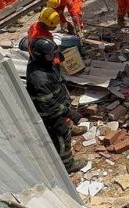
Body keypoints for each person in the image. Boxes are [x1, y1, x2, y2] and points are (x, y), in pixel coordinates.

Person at [26, 37, 85, 173]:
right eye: (51, 54)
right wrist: (69, 112)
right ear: (41, 56)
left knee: (65, 126)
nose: (54, 56)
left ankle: (69, 128)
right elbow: (49, 105)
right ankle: (68, 164)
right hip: (50, 114)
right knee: (61, 137)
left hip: (58, 102)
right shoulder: (39, 79)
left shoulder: (45, 63)